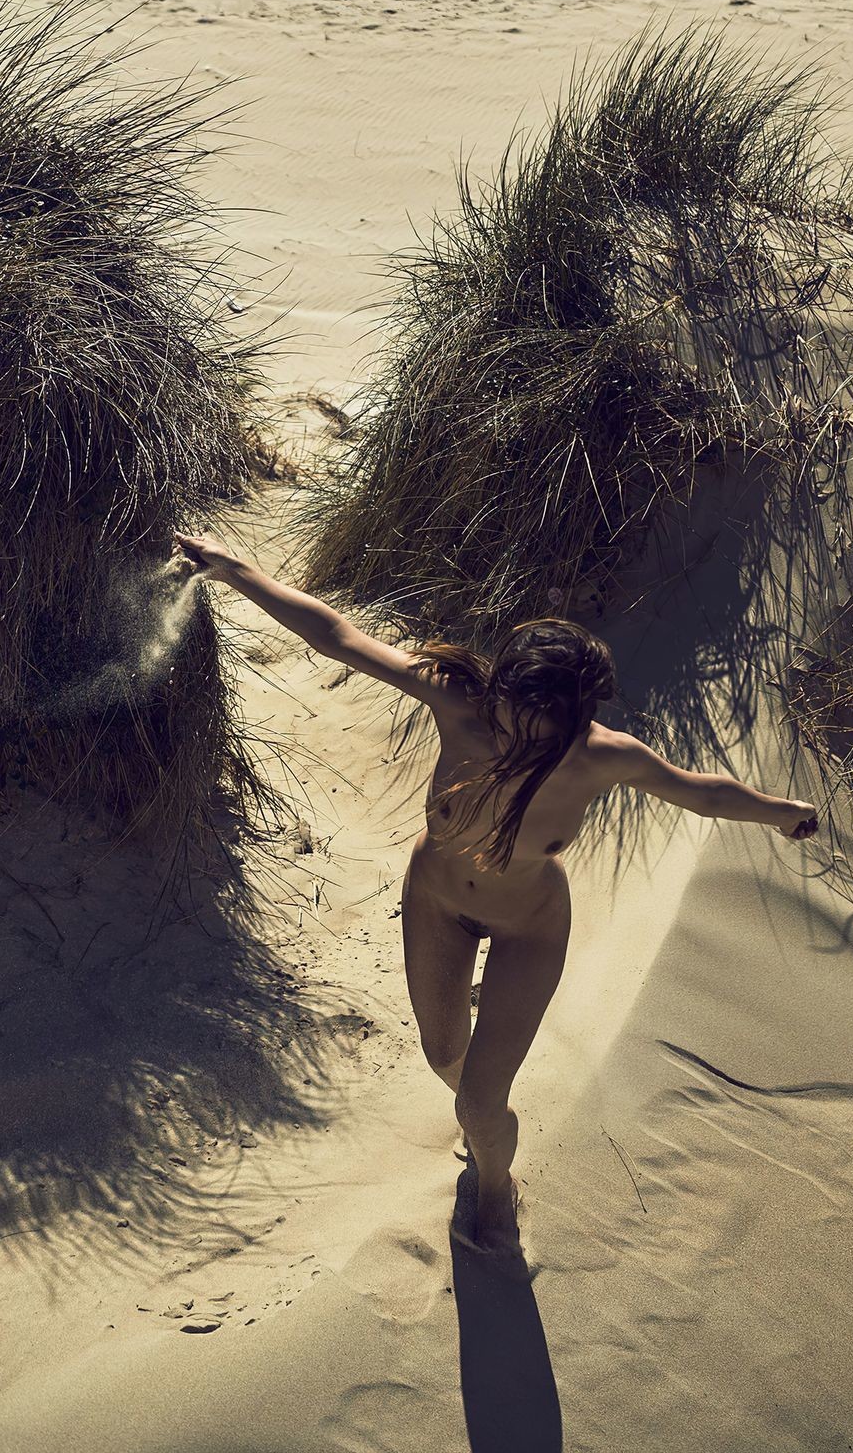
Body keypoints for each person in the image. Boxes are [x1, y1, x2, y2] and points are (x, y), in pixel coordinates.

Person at [173, 532, 819, 1258]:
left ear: (573, 713)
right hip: (437, 903)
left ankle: (493, 1183)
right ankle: (480, 1119)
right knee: (443, 1055)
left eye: (536, 719)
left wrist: (780, 812)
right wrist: (238, 570)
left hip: (528, 926)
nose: (513, 727)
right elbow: (338, 636)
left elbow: (701, 792)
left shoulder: (602, 758)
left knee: (481, 1104)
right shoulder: (459, 705)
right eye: (509, 705)